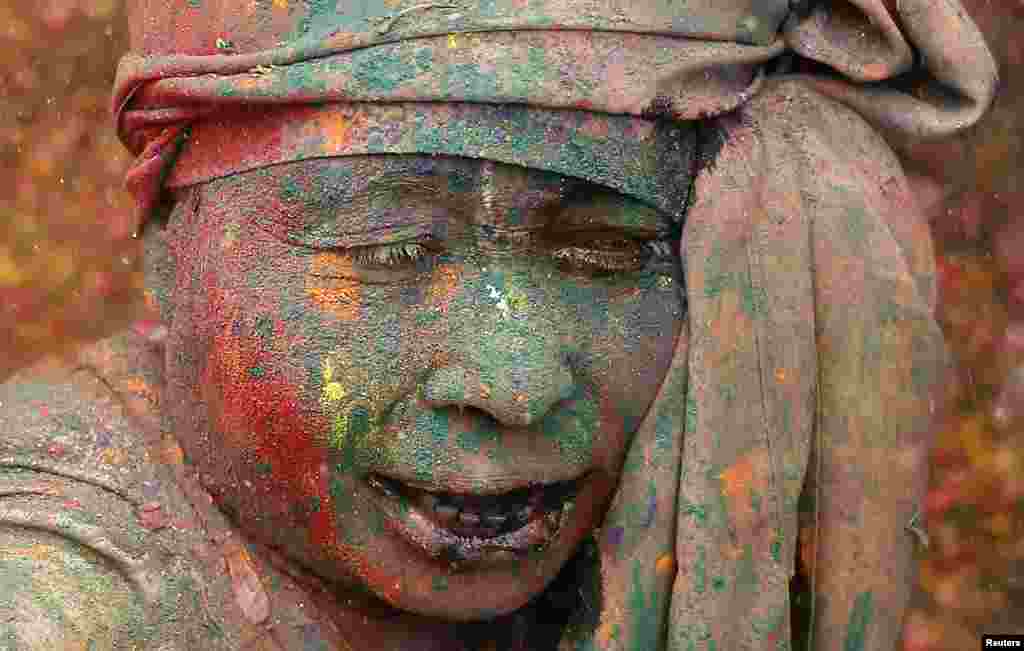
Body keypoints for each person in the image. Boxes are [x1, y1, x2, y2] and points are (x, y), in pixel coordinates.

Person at [0, 1, 997, 649]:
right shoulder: (64, 587)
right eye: (390, 251)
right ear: (171, 259)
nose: (514, 379)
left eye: (602, 256)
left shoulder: (684, 508)